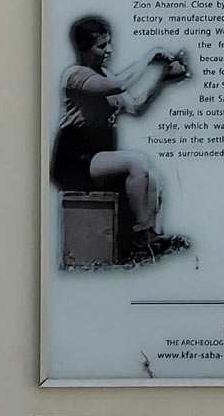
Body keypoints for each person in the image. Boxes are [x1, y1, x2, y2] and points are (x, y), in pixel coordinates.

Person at [51, 14, 190, 261]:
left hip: (97, 156)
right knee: (136, 162)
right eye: (102, 46)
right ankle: (142, 238)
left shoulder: (104, 74)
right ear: (82, 49)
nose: (109, 50)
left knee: (152, 178)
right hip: (74, 159)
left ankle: (149, 238)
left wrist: (163, 81)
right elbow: (116, 86)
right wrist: (150, 56)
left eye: (109, 44)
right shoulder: (76, 75)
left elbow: (135, 107)